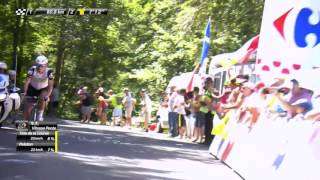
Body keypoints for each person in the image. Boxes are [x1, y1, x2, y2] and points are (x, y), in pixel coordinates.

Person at [23, 55, 54, 121]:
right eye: (38, 65)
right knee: (28, 109)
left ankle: (40, 113)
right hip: (32, 87)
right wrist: (25, 92)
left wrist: (47, 96)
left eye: (42, 66)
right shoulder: (32, 69)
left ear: (46, 65)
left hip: (43, 88)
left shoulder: (49, 72)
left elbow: (50, 85)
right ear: (36, 64)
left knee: (43, 97)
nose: (40, 67)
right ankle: (26, 123)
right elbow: (27, 82)